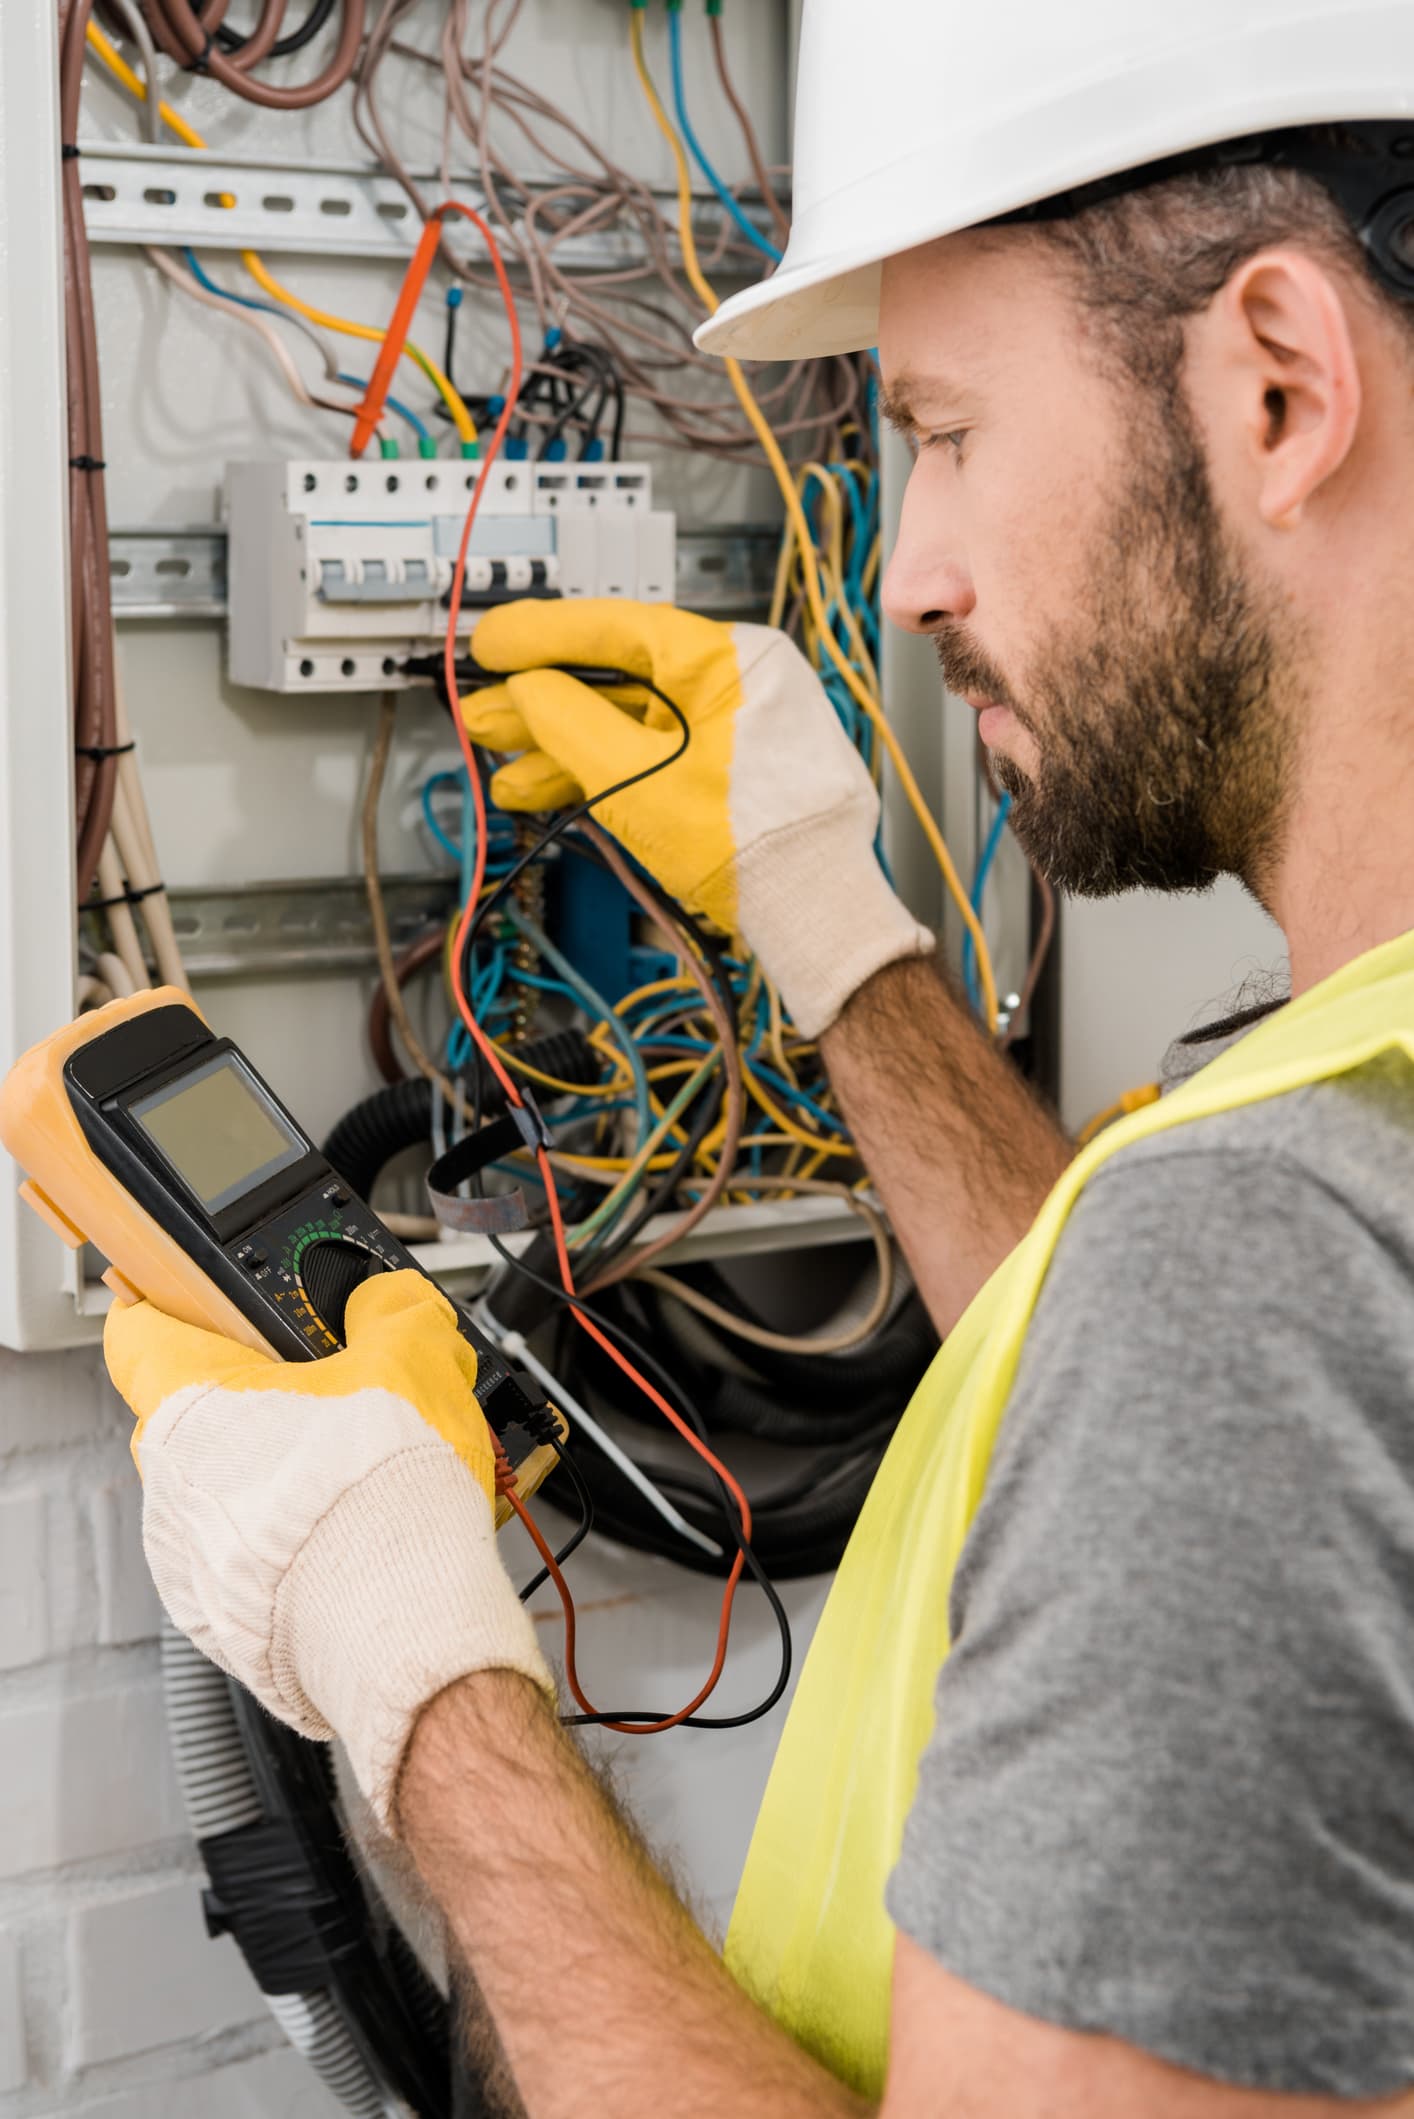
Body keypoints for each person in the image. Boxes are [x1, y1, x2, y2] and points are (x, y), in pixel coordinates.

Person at [103, 1, 1414, 2111]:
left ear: (1276, 384)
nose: (906, 574)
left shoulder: (1262, 1243)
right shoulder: (1331, 1143)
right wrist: (833, 927)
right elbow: (1140, 1417)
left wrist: (416, 1666)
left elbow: (1212, 1371)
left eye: (948, 429)